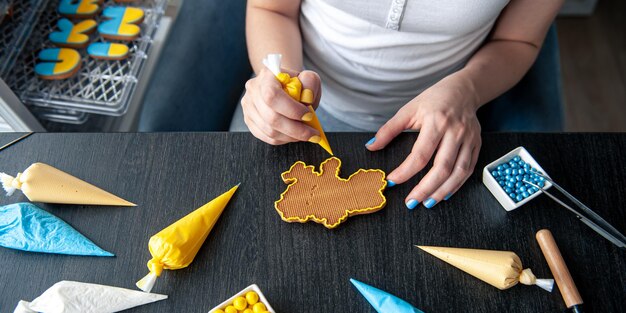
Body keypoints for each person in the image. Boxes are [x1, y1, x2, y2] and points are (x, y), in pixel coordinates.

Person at [233, 0, 564, 209]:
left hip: (447, 119)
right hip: (311, 112)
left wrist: (467, 89)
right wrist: (280, 79)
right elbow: (270, 9)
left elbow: (519, 39)